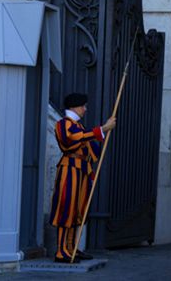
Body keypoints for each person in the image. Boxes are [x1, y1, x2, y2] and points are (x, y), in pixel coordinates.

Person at [49, 92, 116, 263]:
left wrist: (101, 135)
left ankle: (71, 248)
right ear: (74, 107)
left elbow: (89, 148)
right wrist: (101, 130)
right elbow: (70, 141)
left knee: (78, 210)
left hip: (81, 171)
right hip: (69, 169)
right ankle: (61, 250)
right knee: (67, 209)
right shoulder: (63, 124)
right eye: (83, 106)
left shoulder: (79, 126)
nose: (85, 110)